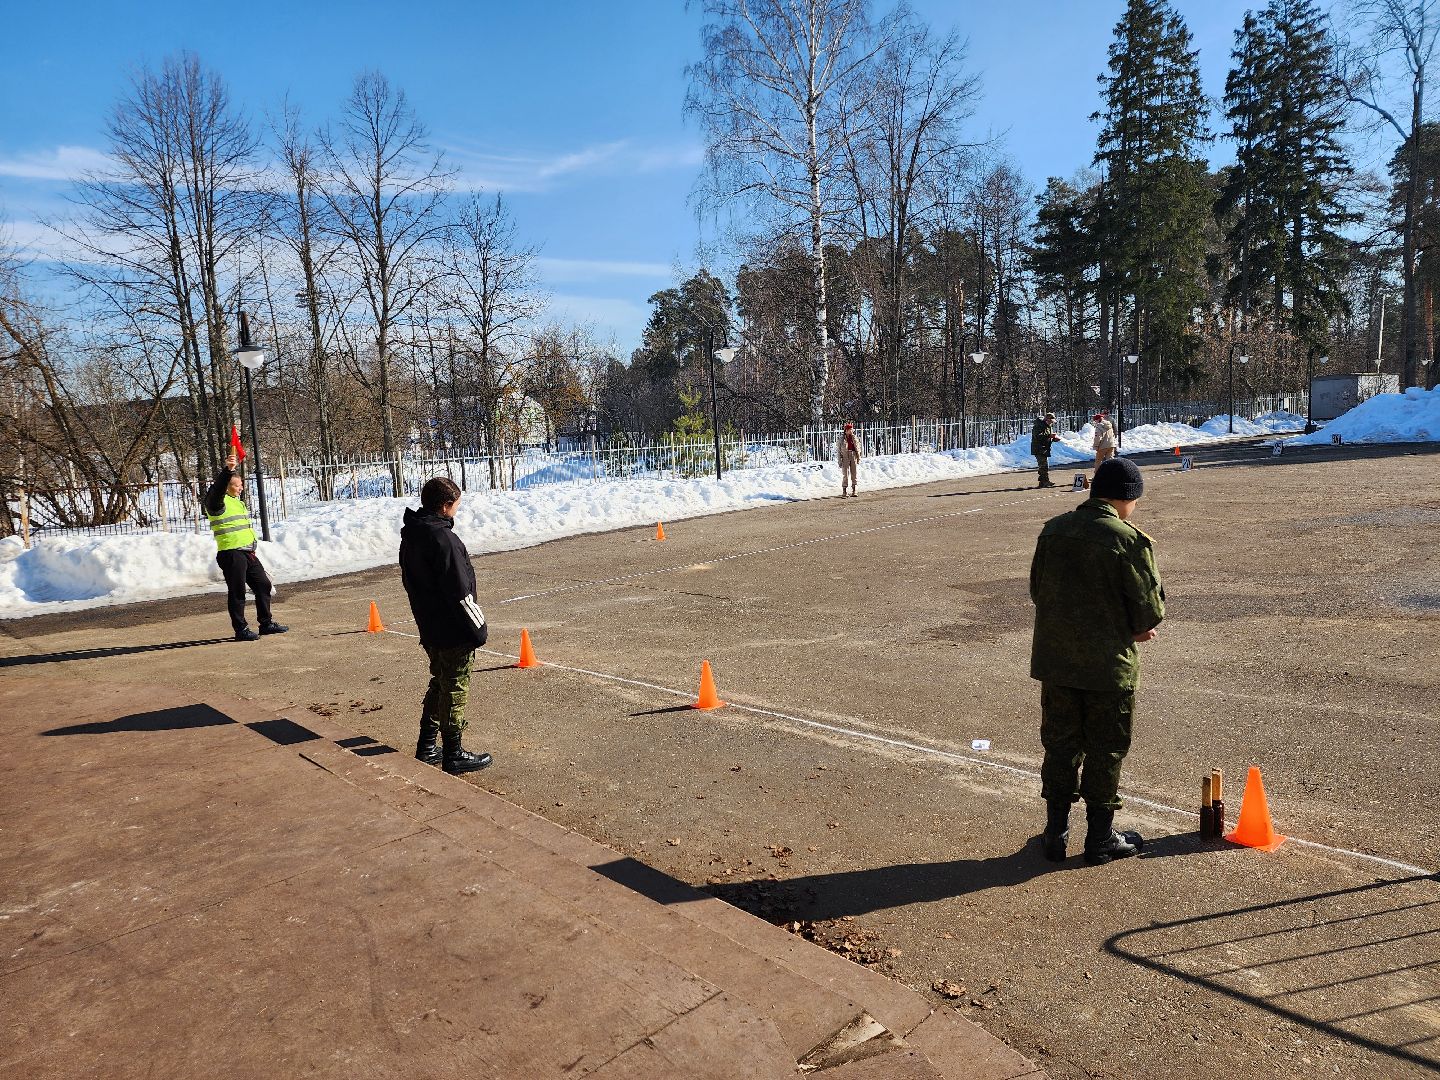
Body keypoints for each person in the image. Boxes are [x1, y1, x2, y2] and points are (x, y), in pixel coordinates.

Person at [1029, 456, 1164, 865]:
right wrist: (1133, 627)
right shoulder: (1127, 539)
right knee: (1105, 749)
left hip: (1058, 662)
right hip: (1108, 666)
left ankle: (1056, 833)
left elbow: (1039, 591)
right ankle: (1100, 839)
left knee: (1060, 744)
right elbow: (1148, 613)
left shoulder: (1053, 531)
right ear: (1127, 498)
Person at [399, 476, 493, 776]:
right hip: (452, 629)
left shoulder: (413, 534)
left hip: (429, 624)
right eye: (456, 505)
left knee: (439, 682)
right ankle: (454, 753)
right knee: (454, 688)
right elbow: (460, 591)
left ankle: (427, 745)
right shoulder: (443, 539)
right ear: (445, 505)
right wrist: (477, 629)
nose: (457, 511)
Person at [204, 450, 288, 642]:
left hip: (247, 552)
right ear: (226, 486)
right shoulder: (217, 503)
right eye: (236, 485)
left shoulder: (237, 503)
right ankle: (240, 629)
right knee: (237, 592)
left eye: (241, 485)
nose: (240, 488)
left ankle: (265, 624)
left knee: (263, 585)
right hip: (231, 553)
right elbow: (215, 490)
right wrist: (228, 470)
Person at [1030, 412, 1060, 488]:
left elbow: (1045, 437)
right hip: (1039, 448)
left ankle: (1044, 481)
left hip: (1044, 448)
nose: (1051, 423)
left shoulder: (1047, 426)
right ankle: (1044, 481)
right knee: (1043, 466)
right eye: (1051, 421)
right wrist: (1049, 436)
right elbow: (1038, 437)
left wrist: (1053, 439)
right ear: (1047, 419)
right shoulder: (1038, 426)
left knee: (1044, 466)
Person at [838, 421, 862, 497]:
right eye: (850, 429)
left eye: (852, 429)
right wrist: (839, 460)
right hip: (845, 456)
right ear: (846, 430)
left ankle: (854, 490)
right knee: (845, 474)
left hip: (853, 455)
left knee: (854, 473)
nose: (851, 431)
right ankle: (844, 491)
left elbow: (858, 448)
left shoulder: (854, 437)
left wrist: (858, 457)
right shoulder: (841, 439)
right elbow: (838, 451)